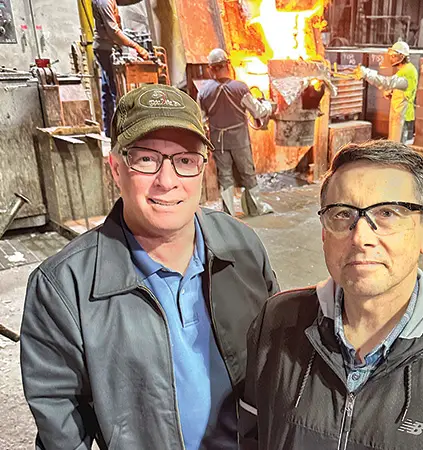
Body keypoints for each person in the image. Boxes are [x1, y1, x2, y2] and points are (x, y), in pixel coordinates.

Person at [20, 84, 279, 450]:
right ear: (115, 168)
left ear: (203, 167)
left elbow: (278, 362)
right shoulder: (64, 287)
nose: (167, 181)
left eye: (185, 160)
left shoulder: (243, 247)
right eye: (145, 159)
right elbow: (60, 424)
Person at [240, 140, 423, 449]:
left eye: (387, 213)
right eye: (341, 214)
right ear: (323, 232)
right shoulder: (278, 323)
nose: (361, 237)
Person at [198, 48, 273, 217]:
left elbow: (201, 120)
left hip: (218, 141)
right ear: (227, 65)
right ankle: (256, 208)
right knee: (248, 173)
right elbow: (257, 111)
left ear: (211, 68)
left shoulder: (204, 91)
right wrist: (267, 105)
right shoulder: (239, 88)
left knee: (225, 177)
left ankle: (228, 214)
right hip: (239, 140)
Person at [92, 0, 149, 137]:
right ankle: (120, 132)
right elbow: (113, 31)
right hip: (105, 49)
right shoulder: (104, 2)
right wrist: (136, 47)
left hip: (105, 47)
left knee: (107, 89)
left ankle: (109, 131)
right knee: (115, 90)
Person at [356, 40, 418, 143]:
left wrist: (367, 74)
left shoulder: (408, 71)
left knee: (397, 146)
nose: (391, 58)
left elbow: (387, 82)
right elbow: (402, 88)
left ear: (402, 56)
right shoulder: (404, 69)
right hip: (398, 112)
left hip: (403, 114)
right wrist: (392, 92)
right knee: (394, 143)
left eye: (394, 56)